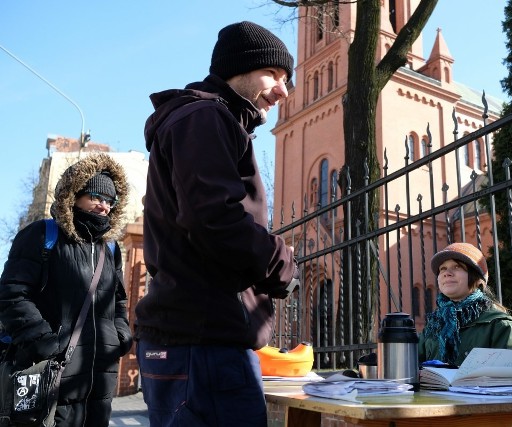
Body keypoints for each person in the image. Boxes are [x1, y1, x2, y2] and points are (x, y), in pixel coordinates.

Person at [135, 21, 299, 427]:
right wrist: (280, 261)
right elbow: (215, 219)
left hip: (194, 339)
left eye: (287, 79)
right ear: (237, 69)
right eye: (274, 75)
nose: (284, 91)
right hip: (203, 344)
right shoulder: (206, 118)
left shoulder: (210, 120)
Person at [0, 153, 133, 427]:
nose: (103, 206)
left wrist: (120, 336)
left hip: (99, 379)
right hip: (49, 374)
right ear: (74, 194)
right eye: (96, 196)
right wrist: (44, 342)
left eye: (110, 200)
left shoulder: (110, 249)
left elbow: (118, 301)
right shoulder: (42, 235)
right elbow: (12, 294)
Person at [418, 242, 512, 367]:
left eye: (457, 267)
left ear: (477, 278)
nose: (446, 273)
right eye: (442, 268)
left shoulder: (500, 325)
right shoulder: (434, 325)